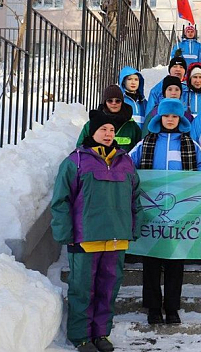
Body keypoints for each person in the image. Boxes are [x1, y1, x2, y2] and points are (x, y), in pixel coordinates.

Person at [51, 110, 142, 352]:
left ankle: (101, 333)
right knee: (83, 290)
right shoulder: (76, 161)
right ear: (92, 132)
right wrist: (65, 233)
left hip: (116, 239)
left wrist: (133, 227)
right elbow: (61, 201)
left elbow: (135, 198)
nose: (108, 134)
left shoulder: (126, 161)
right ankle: (80, 335)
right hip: (86, 239)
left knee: (108, 289)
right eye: (103, 129)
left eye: (112, 130)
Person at [129, 98, 201, 325]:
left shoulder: (190, 145)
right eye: (167, 116)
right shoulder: (146, 143)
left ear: (180, 119)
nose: (170, 120)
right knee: (151, 261)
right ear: (159, 118)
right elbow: (127, 165)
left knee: (175, 262)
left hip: (181, 214)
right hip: (151, 213)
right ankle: (153, 308)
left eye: (174, 116)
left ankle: (172, 307)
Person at [76, 85, 141, 152]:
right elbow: (80, 148)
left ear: (122, 102)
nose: (114, 103)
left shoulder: (132, 126)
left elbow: (139, 150)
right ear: (105, 102)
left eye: (117, 101)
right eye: (110, 101)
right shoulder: (92, 124)